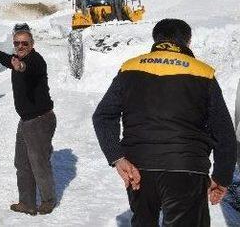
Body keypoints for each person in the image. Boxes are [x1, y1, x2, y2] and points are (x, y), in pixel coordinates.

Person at [93, 18, 236, 226]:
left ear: (156, 39)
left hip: (138, 170)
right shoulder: (203, 73)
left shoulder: (129, 68)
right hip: (187, 169)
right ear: (187, 41)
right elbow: (224, 132)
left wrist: (117, 157)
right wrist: (222, 177)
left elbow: (103, 115)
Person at [0, 23, 56, 216]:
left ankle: (48, 200)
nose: (20, 46)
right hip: (26, 121)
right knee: (22, 162)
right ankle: (27, 202)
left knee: (39, 162)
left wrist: (19, 66)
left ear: (32, 44)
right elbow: (8, 59)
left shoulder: (36, 61)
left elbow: (25, 68)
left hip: (40, 120)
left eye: (24, 43)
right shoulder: (16, 58)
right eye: (17, 43)